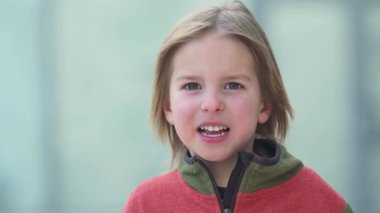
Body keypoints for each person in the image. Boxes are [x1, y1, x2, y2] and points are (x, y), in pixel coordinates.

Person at [124, 1, 353, 212]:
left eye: (233, 85)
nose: (212, 104)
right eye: (192, 85)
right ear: (168, 107)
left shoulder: (319, 204)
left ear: (265, 105)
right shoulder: (145, 205)